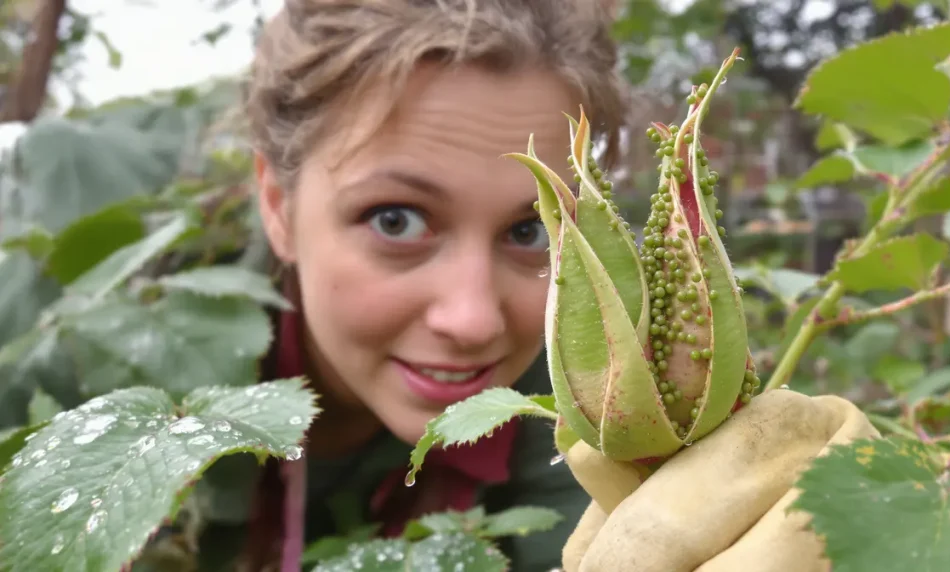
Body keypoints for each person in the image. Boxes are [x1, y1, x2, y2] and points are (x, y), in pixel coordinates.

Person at [144, 1, 878, 571]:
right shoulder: (108, 365)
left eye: (534, 230)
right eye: (396, 220)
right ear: (275, 204)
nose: (472, 320)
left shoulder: (571, 428)